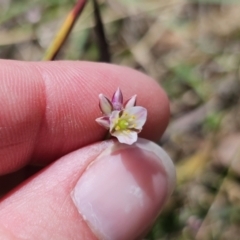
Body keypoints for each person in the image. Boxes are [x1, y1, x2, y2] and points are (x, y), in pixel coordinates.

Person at [0, 60, 175, 240]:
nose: (123, 123)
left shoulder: (125, 131)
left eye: (124, 122)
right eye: (119, 121)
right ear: (115, 118)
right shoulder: (118, 126)